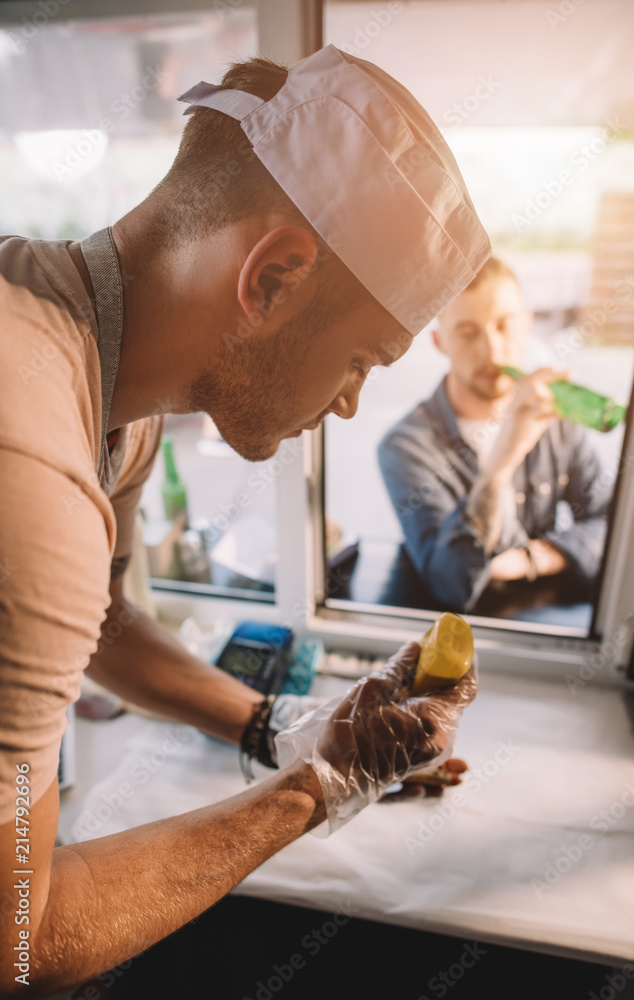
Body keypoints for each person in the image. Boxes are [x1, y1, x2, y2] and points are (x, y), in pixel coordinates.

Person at [0, 46, 487, 996]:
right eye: (362, 361)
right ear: (271, 281)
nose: (349, 405)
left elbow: (99, 622)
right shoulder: (36, 475)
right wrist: (320, 783)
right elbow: (22, 940)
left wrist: (285, 724)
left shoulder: (109, 400)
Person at [378, 256, 612, 613]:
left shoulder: (556, 418)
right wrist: (502, 462)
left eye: (504, 326)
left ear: (527, 325)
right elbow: (452, 583)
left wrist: (530, 560)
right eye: (468, 332)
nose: (491, 351)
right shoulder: (405, 447)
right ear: (440, 342)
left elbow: (614, 526)